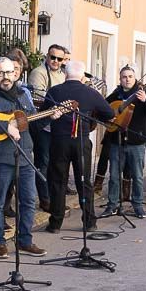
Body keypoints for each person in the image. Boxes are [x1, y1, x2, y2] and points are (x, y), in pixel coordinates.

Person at [0, 56, 60, 258]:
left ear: (15, 73)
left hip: (25, 155)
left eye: (9, 72)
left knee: (28, 200)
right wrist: (5, 127)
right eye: (0, 73)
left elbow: (31, 125)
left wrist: (48, 117)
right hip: (0, 158)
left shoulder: (24, 95)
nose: (5, 77)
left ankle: (25, 240)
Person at [44, 60, 114, 232]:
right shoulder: (90, 92)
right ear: (82, 76)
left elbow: (44, 112)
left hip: (59, 141)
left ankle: (55, 223)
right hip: (81, 142)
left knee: (58, 182)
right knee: (84, 182)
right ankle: (90, 221)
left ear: (65, 74)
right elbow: (109, 113)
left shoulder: (54, 91)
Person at [103, 66, 146, 217]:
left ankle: (138, 205)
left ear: (135, 78)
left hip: (137, 142)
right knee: (114, 176)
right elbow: (103, 109)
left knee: (138, 176)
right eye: (124, 77)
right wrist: (109, 116)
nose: (127, 79)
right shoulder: (116, 95)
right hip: (117, 141)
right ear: (120, 79)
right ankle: (112, 205)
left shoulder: (143, 93)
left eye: (130, 76)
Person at [28, 44, 70, 211]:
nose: (55, 61)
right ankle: (45, 200)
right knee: (43, 163)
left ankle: (56, 199)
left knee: (57, 163)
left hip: (59, 126)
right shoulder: (39, 73)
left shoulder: (62, 75)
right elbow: (39, 98)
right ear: (47, 57)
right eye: (53, 57)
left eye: (59, 59)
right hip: (44, 125)